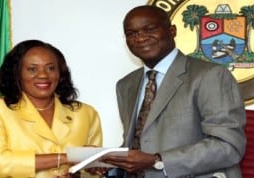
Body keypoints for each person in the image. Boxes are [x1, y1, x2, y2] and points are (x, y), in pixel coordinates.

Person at [102, 5, 246, 178]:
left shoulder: (210, 75)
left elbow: (228, 146)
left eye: (150, 29)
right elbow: (140, 143)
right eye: (132, 33)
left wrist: (157, 160)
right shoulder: (126, 85)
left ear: (172, 31)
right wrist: (106, 163)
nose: (140, 38)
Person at [0, 39, 103, 178]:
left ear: (60, 73)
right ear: (17, 73)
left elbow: (95, 170)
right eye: (32, 69)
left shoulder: (85, 113)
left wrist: (82, 174)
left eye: (51, 68)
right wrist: (65, 158)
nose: (43, 75)